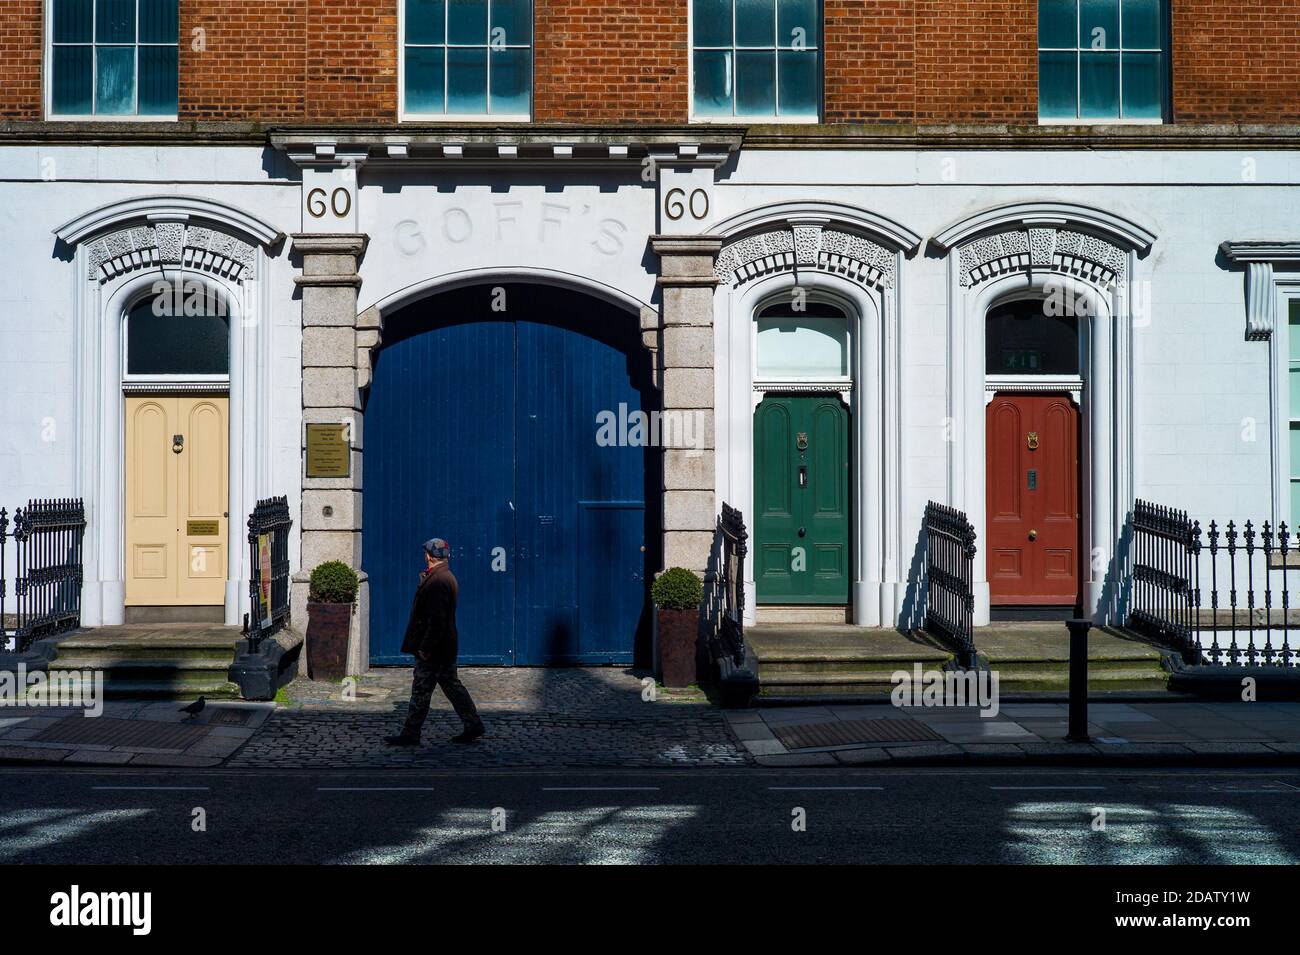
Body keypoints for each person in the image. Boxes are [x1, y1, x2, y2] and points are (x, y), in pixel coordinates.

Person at [385, 537, 485, 746]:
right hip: (444, 647)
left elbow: (436, 620)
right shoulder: (443, 576)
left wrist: (425, 648)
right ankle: (472, 723)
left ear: (429, 556)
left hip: (435, 649)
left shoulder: (439, 581)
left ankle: (411, 733)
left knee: (421, 689)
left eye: (425, 553)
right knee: (452, 687)